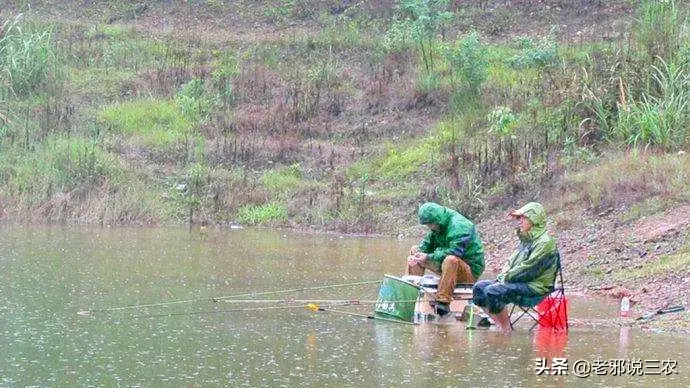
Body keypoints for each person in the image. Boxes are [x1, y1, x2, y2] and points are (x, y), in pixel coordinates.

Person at [472, 202, 559, 333]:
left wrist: (505, 279)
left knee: (494, 291)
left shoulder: (545, 242)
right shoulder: (527, 240)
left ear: (534, 219)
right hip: (519, 281)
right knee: (479, 288)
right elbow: (510, 262)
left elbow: (529, 270)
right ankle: (500, 324)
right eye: (518, 218)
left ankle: (505, 331)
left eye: (522, 218)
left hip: (537, 287)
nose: (519, 221)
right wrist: (502, 277)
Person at [406, 202, 485, 316]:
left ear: (436, 220)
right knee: (415, 250)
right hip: (446, 265)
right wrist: (417, 257)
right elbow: (427, 245)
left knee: (451, 260)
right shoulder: (438, 226)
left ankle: (443, 302)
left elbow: (455, 252)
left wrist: (428, 257)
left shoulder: (460, 226)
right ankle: (411, 294)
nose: (429, 227)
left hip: (468, 270)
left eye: (430, 224)